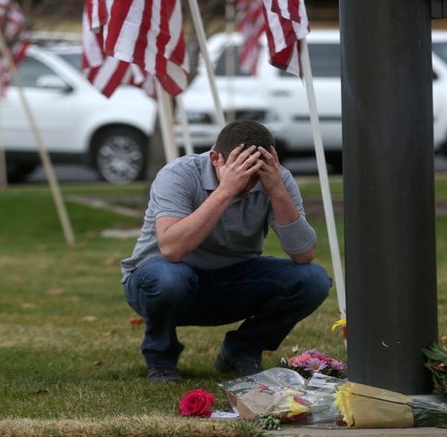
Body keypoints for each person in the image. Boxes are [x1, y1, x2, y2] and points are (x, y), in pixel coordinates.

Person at [121, 120, 332, 383]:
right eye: (241, 173)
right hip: (162, 280)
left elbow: (304, 254)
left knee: (313, 279)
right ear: (215, 159)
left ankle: (241, 350)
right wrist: (226, 190)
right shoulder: (177, 174)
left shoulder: (276, 179)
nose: (249, 185)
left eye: (255, 175)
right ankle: (161, 359)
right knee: (167, 278)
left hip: (233, 281)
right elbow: (172, 249)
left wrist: (277, 190)